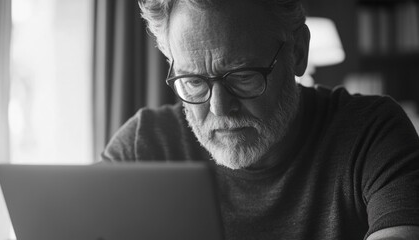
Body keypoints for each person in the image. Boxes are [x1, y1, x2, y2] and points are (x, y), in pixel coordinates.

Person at [101, 0, 419, 239]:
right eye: (194, 81)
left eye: (242, 76)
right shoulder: (142, 147)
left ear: (297, 52)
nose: (220, 108)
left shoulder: (372, 132)